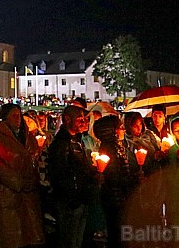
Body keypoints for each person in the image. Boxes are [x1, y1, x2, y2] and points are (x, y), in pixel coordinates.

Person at [0, 103, 45, 248]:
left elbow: (35, 159)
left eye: (19, 116)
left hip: (28, 193)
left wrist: (33, 179)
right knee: (12, 235)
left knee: (29, 233)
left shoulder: (28, 136)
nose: (18, 119)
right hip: (7, 193)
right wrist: (17, 182)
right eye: (13, 116)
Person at [46, 104, 97, 248]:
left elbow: (81, 168)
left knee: (77, 239)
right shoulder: (61, 144)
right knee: (70, 239)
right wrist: (72, 198)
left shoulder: (78, 140)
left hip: (81, 197)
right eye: (80, 119)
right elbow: (61, 173)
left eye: (84, 119)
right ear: (68, 120)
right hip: (70, 201)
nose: (84, 122)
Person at [93, 115, 134, 246]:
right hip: (115, 198)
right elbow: (115, 176)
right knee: (117, 234)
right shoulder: (111, 149)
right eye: (120, 128)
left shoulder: (116, 147)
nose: (123, 130)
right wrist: (133, 180)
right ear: (112, 131)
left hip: (117, 197)